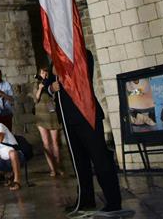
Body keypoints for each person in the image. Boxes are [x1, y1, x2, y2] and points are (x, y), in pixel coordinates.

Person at [50, 51, 123, 217]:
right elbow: (49, 81)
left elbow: (81, 75)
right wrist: (50, 87)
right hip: (68, 118)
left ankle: (113, 200)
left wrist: (59, 69)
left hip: (87, 114)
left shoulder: (83, 53)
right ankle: (86, 199)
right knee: (79, 163)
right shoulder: (55, 58)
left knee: (100, 158)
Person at [33, 64, 64, 177]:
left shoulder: (51, 82)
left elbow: (56, 94)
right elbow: (35, 99)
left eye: (46, 72)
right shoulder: (36, 83)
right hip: (41, 116)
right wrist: (40, 88)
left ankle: (59, 166)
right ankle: (52, 169)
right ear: (39, 73)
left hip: (52, 115)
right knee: (46, 143)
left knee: (55, 142)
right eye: (42, 72)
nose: (44, 74)